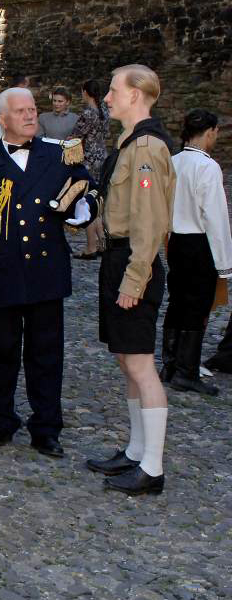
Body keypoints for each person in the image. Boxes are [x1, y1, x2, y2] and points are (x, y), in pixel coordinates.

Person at [0, 87, 97, 458]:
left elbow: (87, 188)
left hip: (45, 268)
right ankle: (1, 420)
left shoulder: (59, 153)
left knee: (46, 352)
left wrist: (84, 211)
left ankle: (46, 427)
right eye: (21, 111)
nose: (31, 116)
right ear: (3, 120)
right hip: (4, 269)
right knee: (1, 349)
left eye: (33, 109)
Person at [85, 65, 176, 496]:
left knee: (140, 364)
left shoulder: (146, 148)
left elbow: (150, 223)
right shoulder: (129, 143)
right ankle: (137, 450)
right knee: (126, 358)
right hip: (118, 257)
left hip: (134, 262)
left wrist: (134, 279)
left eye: (113, 89)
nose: (106, 96)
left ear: (137, 94)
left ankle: (152, 469)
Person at [160, 109, 231, 396]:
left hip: (176, 241)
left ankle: (171, 364)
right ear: (211, 131)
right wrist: (225, 264)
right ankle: (186, 371)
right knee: (196, 307)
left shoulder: (173, 162)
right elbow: (215, 217)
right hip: (199, 244)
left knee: (177, 302)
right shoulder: (207, 167)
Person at [73, 79, 111, 260]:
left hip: (88, 158)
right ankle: (101, 240)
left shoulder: (88, 113)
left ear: (85, 92)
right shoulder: (104, 110)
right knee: (97, 200)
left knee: (86, 202)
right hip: (102, 156)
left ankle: (90, 246)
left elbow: (74, 136)